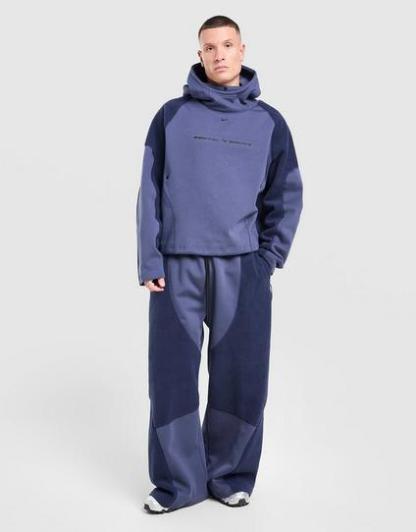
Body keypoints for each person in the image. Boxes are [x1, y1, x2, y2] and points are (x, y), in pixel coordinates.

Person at [136, 15, 303, 514]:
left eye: (227, 45)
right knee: (171, 378)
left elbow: (286, 192)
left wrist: (267, 258)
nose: (219, 54)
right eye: (210, 47)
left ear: (242, 50)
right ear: (200, 54)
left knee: (242, 376)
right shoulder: (171, 116)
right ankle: (178, 485)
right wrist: (149, 258)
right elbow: (149, 189)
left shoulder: (270, 122)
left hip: (242, 269)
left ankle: (229, 476)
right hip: (177, 267)